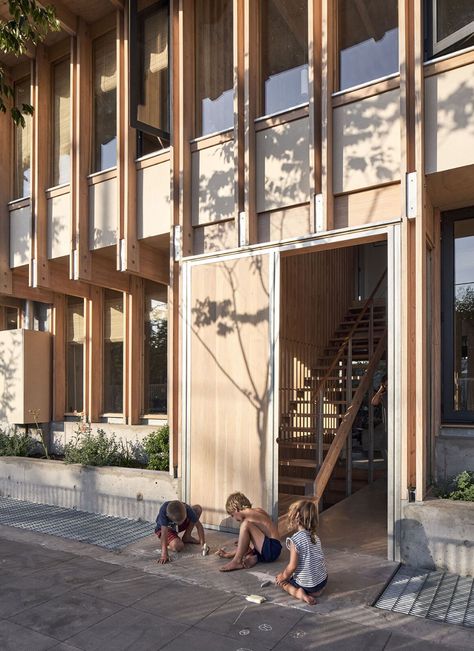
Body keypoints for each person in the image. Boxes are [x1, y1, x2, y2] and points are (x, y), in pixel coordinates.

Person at [275, 499, 328, 605]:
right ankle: (313, 591)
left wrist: (283, 577)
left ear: (297, 517)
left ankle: (300, 594)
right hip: (322, 583)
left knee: (283, 583)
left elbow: (292, 566)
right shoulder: (315, 537)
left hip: (308, 586)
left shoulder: (295, 540)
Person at [216, 492, 282, 572]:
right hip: (274, 549)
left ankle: (237, 561)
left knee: (245, 525)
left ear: (236, 508)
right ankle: (254, 557)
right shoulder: (258, 511)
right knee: (243, 540)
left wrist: (241, 542)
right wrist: (229, 554)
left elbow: (245, 539)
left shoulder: (249, 516)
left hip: (272, 549)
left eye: (233, 515)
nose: (234, 519)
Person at [155, 500, 205, 564]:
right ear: (168, 516)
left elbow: (199, 526)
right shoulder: (164, 511)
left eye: (182, 520)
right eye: (178, 522)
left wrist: (203, 545)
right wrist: (164, 554)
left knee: (197, 509)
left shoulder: (186, 508)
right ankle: (167, 544)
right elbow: (164, 532)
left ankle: (187, 536)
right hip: (166, 529)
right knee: (178, 546)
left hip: (177, 527)